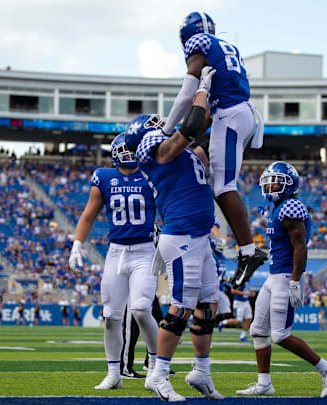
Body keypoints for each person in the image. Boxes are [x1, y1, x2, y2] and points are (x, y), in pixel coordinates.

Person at [124, 69, 223, 400]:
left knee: (207, 305)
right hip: (181, 238)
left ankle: (201, 372)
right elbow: (190, 124)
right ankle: (159, 374)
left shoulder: (181, 151)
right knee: (180, 308)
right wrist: (203, 89)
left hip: (199, 236)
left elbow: (198, 128)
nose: (160, 124)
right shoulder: (151, 149)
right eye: (154, 124)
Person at [165, 12, 267, 288]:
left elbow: (187, 93)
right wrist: (185, 135)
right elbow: (206, 113)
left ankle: (248, 251)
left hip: (231, 115)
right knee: (215, 178)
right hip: (236, 113)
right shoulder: (226, 48)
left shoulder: (198, 44)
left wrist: (167, 130)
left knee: (223, 186)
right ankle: (240, 247)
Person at [236, 162, 327, 398]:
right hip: (274, 275)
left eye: (276, 181)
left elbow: (300, 247)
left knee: (280, 335)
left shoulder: (291, 207)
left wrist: (295, 280)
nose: (270, 185)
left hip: (285, 276)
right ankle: (264, 383)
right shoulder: (277, 206)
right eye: (269, 180)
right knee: (258, 330)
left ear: (289, 184)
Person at [69, 133, 159, 390]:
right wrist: (77, 246)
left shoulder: (151, 175)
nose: (132, 154)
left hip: (144, 251)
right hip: (116, 252)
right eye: (128, 149)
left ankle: (155, 364)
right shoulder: (104, 177)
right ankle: (113, 373)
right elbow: (88, 214)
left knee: (141, 310)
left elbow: (168, 208)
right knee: (111, 316)